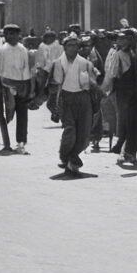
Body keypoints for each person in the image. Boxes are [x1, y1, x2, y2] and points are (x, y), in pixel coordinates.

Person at [48, 34, 97, 174]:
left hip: (84, 98)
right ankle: (65, 156)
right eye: (70, 45)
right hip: (66, 98)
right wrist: (54, 106)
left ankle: (73, 156)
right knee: (70, 130)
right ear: (64, 47)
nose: (73, 48)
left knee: (85, 133)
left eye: (76, 45)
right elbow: (54, 86)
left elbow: (92, 82)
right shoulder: (58, 63)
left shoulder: (86, 63)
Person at [0, 23, 34, 154]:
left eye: (15, 34)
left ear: (18, 35)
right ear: (5, 35)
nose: (12, 36)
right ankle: (6, 142)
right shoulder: (1, 50)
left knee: (22, 114)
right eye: (9, 34)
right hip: (5, 84)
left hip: (22, 84)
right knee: (6, 113)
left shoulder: (23, 49)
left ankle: (21, 142)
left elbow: (26, 69)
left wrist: (27, 87)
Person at [107, 28, 137, 164]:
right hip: (124, 92)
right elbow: (114, 73)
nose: (126, 41)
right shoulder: (118, 55)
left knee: (136, 122)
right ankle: (125, 151)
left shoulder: (136, 53)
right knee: (126, 122)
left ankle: (129, 150)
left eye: (129, 38)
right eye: (123, 39)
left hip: (136, 92)